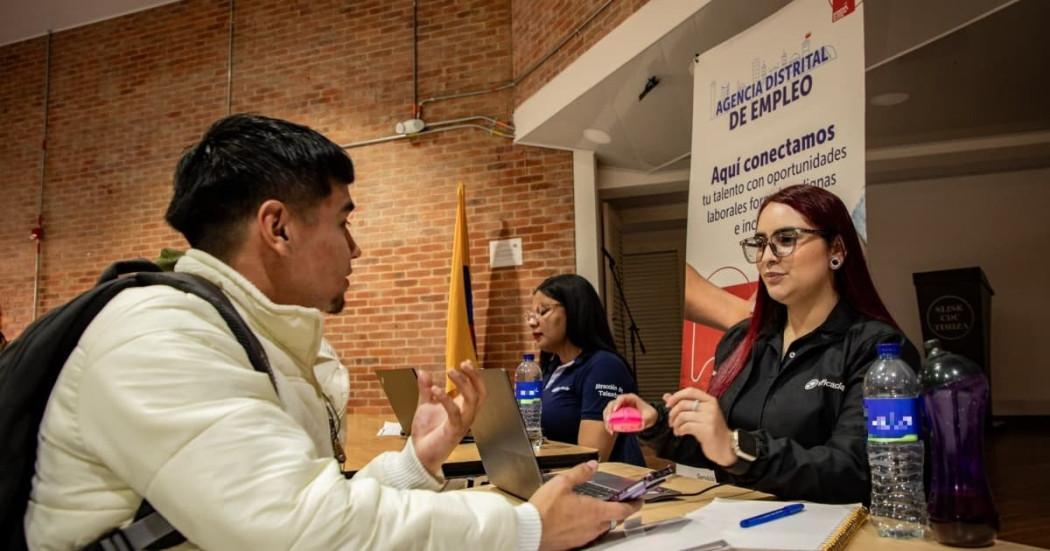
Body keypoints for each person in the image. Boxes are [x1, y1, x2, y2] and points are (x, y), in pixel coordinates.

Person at [26, 114, 638, 550]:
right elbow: (300, 531)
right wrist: (523, 530)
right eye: (342, 222)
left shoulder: (237, 331)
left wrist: (414, 462)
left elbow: (288, 504)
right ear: (278, 228)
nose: (356, 248)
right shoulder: (160, 339)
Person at [604, 184, 919, 504]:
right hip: (736, 525)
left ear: (836, 249)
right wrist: (657, 422)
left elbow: (856, 472)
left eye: (786, 240)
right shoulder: (741, 341)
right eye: (760, 243)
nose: (767, 257)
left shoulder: (879, 349)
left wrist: (738, 447)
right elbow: (714, 449)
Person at [527, 274, 645, 466]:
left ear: (575, 311)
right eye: (531, 314)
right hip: (556, 476)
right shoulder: (553, 367)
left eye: (543, 311)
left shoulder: (604, 367)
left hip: (606, 486)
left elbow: (591, 459)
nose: (532, 322)